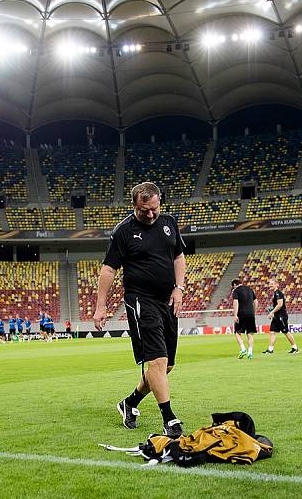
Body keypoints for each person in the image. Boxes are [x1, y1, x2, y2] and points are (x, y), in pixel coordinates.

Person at [93, 181, 186, 438]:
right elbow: (109, 269)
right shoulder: (123, 231)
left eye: (154, 208)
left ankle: (130, 403)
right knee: (156, 361)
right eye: (145, 210)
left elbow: (178, 257)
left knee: (165, 367)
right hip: (140, 301)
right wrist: (100, 307)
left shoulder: (169, 223)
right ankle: (169, 418)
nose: (151, 214)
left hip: (167, 300)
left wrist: (179, 288)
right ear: (135, 205)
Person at [263, 278, 299, 354]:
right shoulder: (275, 293)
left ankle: (295, 348)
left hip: (281, 316)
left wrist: (271, 312)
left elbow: (280, 305)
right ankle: (270, 349)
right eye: (269, 284)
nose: (270, 285)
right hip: (276, 316)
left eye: (272, 284)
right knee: (272, 332)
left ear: (276, 284)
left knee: (286, 332)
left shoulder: (278, 293)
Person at [231, 278, 258, 359]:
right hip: (250, 314)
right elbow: (256, 302)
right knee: (250, 334)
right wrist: (253, 312)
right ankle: (250, 352)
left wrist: (235, 315)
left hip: (241, 314)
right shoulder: (250, 289)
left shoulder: (236, 291)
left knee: (237, 333)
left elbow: (235, 302)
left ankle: (243, 349)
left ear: (235, 285)